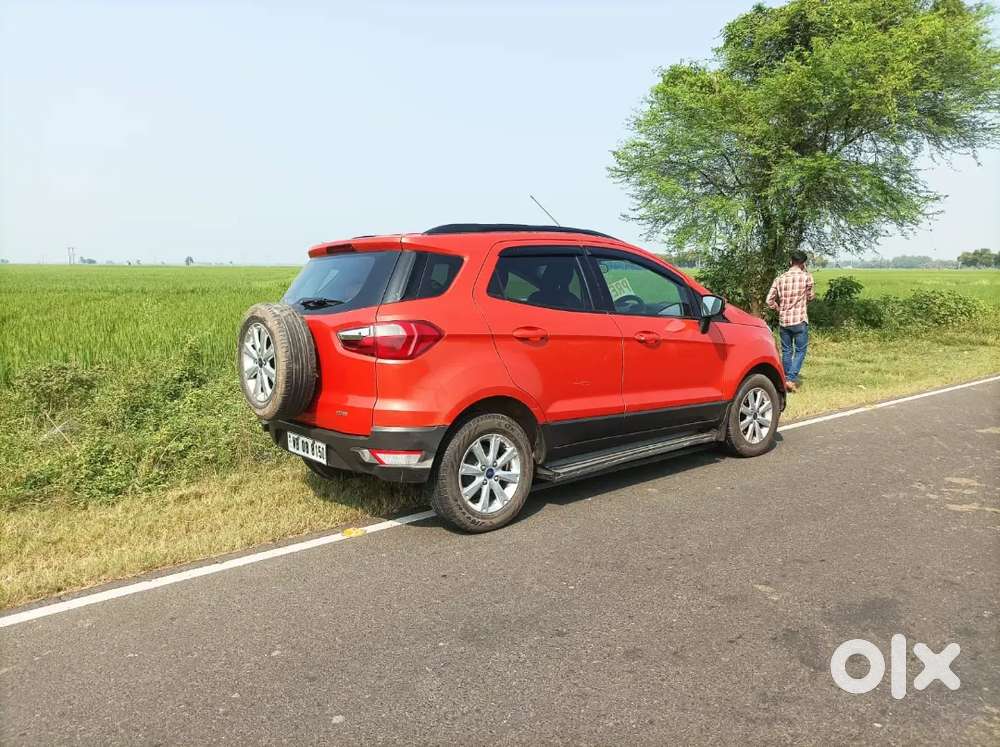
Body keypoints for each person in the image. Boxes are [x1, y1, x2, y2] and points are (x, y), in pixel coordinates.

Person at [766, 249, 816, 392]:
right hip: (799, 319)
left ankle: (786, 379)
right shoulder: (807, 277)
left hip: (784, 321)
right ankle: (791, 378)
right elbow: (810, 297)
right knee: (800, 351)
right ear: (803, 263)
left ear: (790, 261)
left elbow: (769, 300)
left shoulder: (780, 278)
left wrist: (778, 308)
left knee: (786, 351)